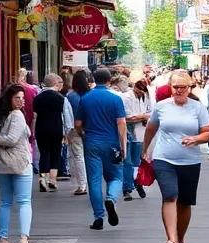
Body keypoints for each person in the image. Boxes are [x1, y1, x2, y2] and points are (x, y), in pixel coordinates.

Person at [142, 70, 209, 243]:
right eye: (175, 87)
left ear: (190, 88)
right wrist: (144, 150)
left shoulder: (198, 108)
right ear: (170, 88)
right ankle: (171, 240)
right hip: (164, 158)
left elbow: (208, 132)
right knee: (170, 196)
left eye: (183, 87)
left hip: (190, 161)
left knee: (185, 202)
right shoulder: (161, 106)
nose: (179, 91)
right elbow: (151, 128)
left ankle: (181, 240)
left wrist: (196, 139)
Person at [0, 84, 37, 243]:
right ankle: (24, 237)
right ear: (10, 98)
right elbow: (11, 139)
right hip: (19, 162)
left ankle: (2, 238)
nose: (21, 101)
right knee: (24, 202)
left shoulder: (0, 117)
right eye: (18, 98)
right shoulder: (17, 116)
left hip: (2, 164)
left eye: (23, 98)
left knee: (5, 202)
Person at [75, 67, 127, 230]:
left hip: (92, 142)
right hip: (111, 143)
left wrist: (84, 135)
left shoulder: (85, 98)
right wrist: (123, 145)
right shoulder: (115, 99)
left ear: (93, 80)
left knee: (94, 181)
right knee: (116, 177)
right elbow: (121, 123)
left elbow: (77, 124)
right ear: (109, 80)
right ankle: (111, 198)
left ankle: (98, 217)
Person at [121, 72, 153, 200]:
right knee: (127, 161)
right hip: (127, 132)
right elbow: (127, 118)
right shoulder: (125, 97)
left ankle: (138, 182)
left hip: (140, 132)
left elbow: (150, 112)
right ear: (135, 88)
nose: (141, 94)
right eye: (140, 91)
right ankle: (127, 188)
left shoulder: (146, 96)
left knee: (138, 161)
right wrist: (143, 116)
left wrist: (142, 117)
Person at [33, 74, 68, 192]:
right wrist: (67, 131)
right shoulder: (61, 98)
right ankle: (53, 180)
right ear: (55, 83)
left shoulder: (37, 98)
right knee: (56, 153)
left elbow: (35, 114)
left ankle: (42, 180)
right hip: (56, 128)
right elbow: (66, 116)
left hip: (41, 128)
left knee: (44, 153)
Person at [65, 69, 91, 195]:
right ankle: (91, 181)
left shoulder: (70, 96)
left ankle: (82, 184)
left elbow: (67, 114)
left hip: (75, 129)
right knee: (90, 157)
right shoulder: (90, 95)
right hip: (91, 129)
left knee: (78, 156)